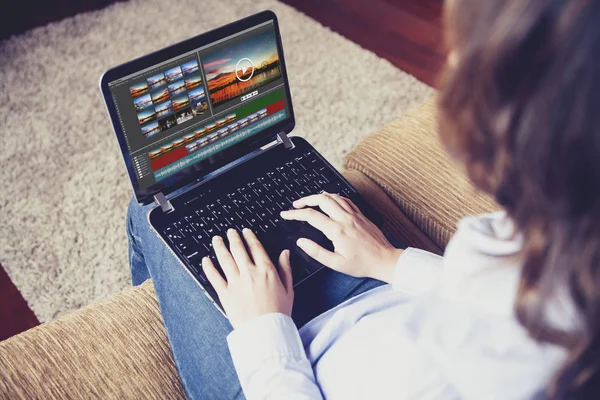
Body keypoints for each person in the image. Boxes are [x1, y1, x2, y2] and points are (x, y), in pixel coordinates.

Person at [127, 0, 600, 398]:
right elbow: (499, 296)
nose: (451, 66)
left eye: (465, 58)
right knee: (231, 177)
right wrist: (391, 262)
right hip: (380, 294)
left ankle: (152, 318)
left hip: (282, 370)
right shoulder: (573, 244)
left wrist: (263, 327)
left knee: (152, 209)